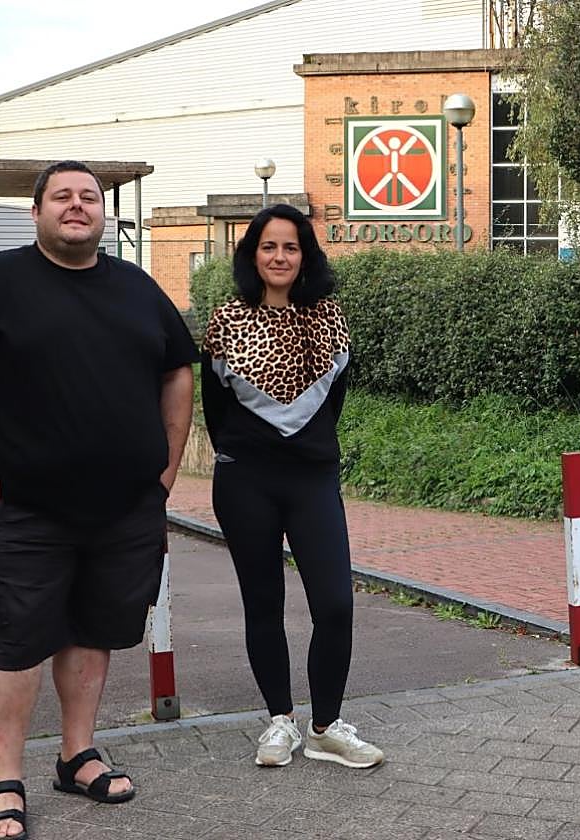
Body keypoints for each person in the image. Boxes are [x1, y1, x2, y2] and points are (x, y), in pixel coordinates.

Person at [0, 160, 197, 840]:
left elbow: (177, 371)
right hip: (22, 509)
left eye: (89, 197)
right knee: (16, 639)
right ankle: (6, 779)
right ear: (38, 213)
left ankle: (77, 753)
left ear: (103, 213)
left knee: (95, 630)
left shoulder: (136, 288)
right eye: (62, 197)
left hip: (121, 511)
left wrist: (164, 471)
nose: (77, 206)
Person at [201, 203, 383, 769]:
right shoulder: (225, 322)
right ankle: (279, 722)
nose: (279, 257)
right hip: (245, 482)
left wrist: (303, 451)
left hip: (312, 481)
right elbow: (216, 413)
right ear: (252, 255)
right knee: (264, 603)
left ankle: (326, 726)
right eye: (268, 247)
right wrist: (242, 456)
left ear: (305, 256)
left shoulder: (331, 321)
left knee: (335, 603)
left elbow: (332, 407)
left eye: (291, 247)